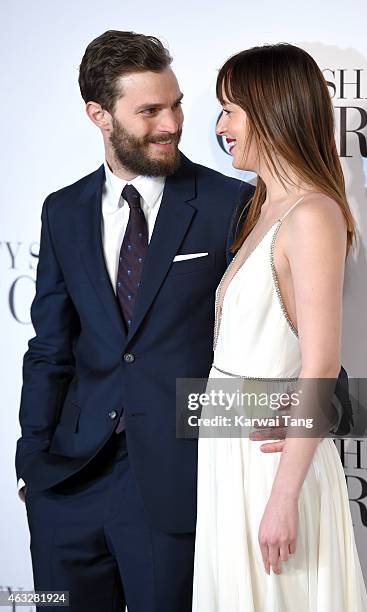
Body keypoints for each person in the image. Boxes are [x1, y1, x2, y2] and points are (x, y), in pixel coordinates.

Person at [15, 30, 254, 612]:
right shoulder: (62, 209)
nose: (171, 123)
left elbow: (273, 333)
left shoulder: (230, 203)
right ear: (99, 114)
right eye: (149, 111)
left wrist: (324, 409)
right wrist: (32, 461)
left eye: (174, 104)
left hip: (175, 483)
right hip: (66, 484)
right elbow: (50, 345)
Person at [192, 44, 367, 611]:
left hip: (272, 468)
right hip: (232, 454)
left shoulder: (311, 214)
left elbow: (319, 363)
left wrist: (283, 497)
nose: (220, 127)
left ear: (270, 110)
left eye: (230, 110)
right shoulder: (263, 205)